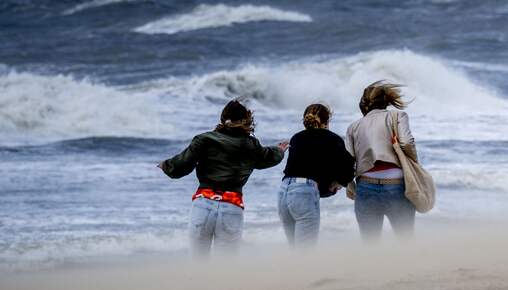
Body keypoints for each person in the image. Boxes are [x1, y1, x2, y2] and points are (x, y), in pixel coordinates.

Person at [159, 100, 286, 257]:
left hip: (203, 204)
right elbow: (268, 157)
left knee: (198, 263)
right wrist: (280, 150)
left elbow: (181, 165)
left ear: (223, 118)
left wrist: (165, 165)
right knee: (225, 265)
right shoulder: (251, 145)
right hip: (231, 205)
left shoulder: (204, 139)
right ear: (246, 120)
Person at [344, 81, 418, 241]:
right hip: (396, 185)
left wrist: (351, 187)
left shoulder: (353, 127)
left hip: (366, 186)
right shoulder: (397, 116)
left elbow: (347, 162)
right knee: (406, 240)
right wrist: (414, 164)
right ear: (386, 101)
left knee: (370, 243)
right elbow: (406, 142)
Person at [278, 103, 355, 247]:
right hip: (304, 193)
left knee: (294, 250)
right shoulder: (332, 139)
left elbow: (308, 168)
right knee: (306, 251)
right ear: (326, 122)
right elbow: (349, 168)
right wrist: (339, 183)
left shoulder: (296, 138)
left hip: (283, 192)